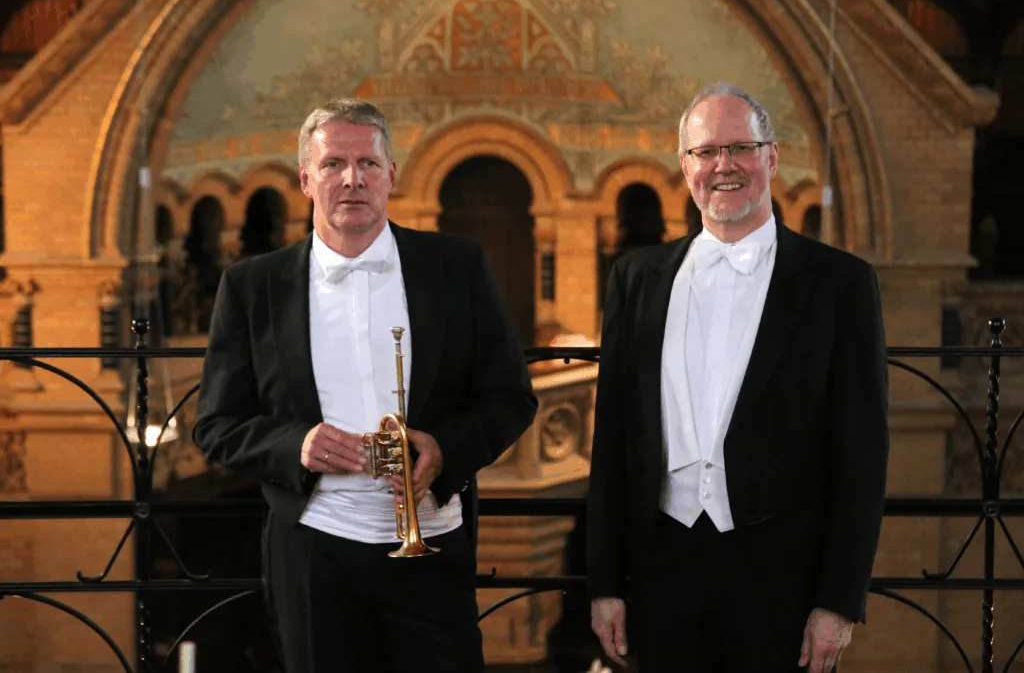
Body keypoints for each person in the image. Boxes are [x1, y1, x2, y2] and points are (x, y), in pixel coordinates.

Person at [192, 98, 538, 673]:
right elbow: (216, 426)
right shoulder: (253, 286)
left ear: (391, 175)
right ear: (306, 179)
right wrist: (294, 446)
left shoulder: (456, 265)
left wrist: (446, 448)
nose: (352, 179)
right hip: (314, 550)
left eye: (368, 164)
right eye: (332, 165)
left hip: (432, 543)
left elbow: (511, 397)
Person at [586, 83, 889, 673]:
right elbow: (613, 443)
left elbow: (862, 456)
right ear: (685, 166)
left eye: (741, 148)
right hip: (661, 571)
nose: (723, 165)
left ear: (771, 158)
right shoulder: (637, 277)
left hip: (782, 581)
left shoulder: (840, 285)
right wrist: (605, 583)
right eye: (705, 152)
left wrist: (839, 601)